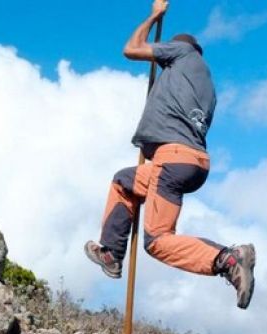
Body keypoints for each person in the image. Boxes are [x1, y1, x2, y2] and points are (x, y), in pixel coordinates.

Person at [83, 0, 256, 309]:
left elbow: (132, 48)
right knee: (124, 181)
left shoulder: (183, 53)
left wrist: (154, 16)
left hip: (172, 159)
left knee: (157, 240)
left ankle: (228, 259)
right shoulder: (207, 86)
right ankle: (111, 253)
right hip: (191, 161)